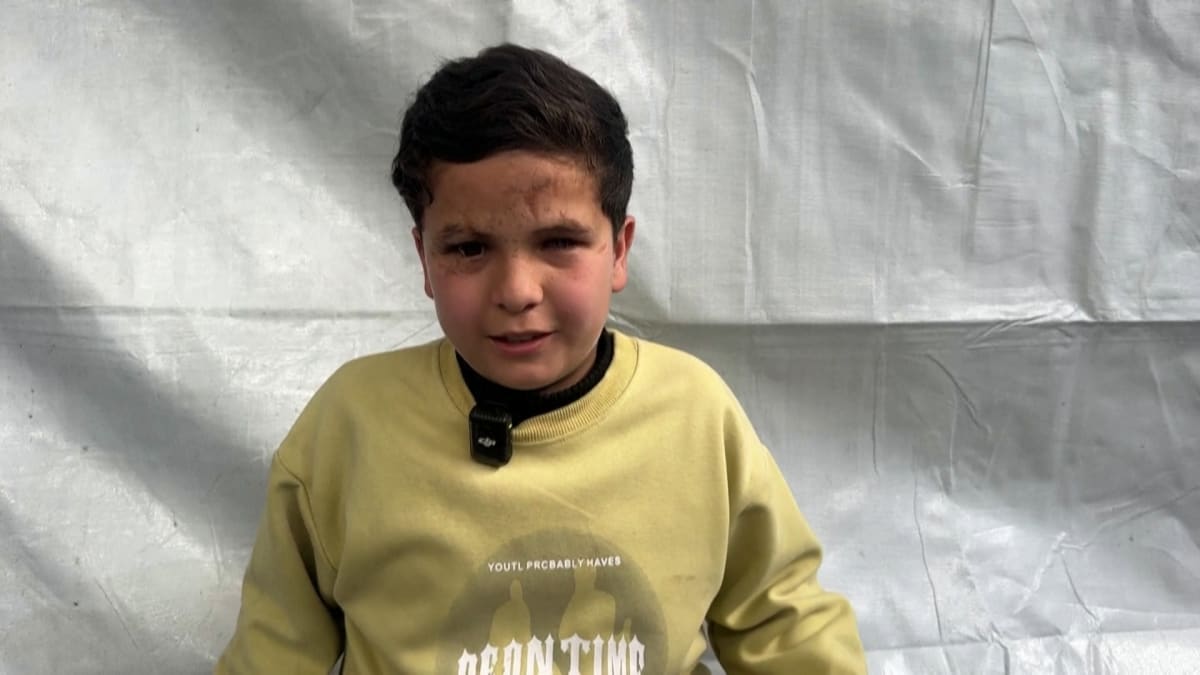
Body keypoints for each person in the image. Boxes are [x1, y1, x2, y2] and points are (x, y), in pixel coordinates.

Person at [216, 43, 866, 674]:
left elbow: (784, 626)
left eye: (558, 241)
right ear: (424, 259)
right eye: (469, 248)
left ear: (618, 250)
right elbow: (275, 649)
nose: (517, 292)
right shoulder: (349, 424)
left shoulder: (697, 412)